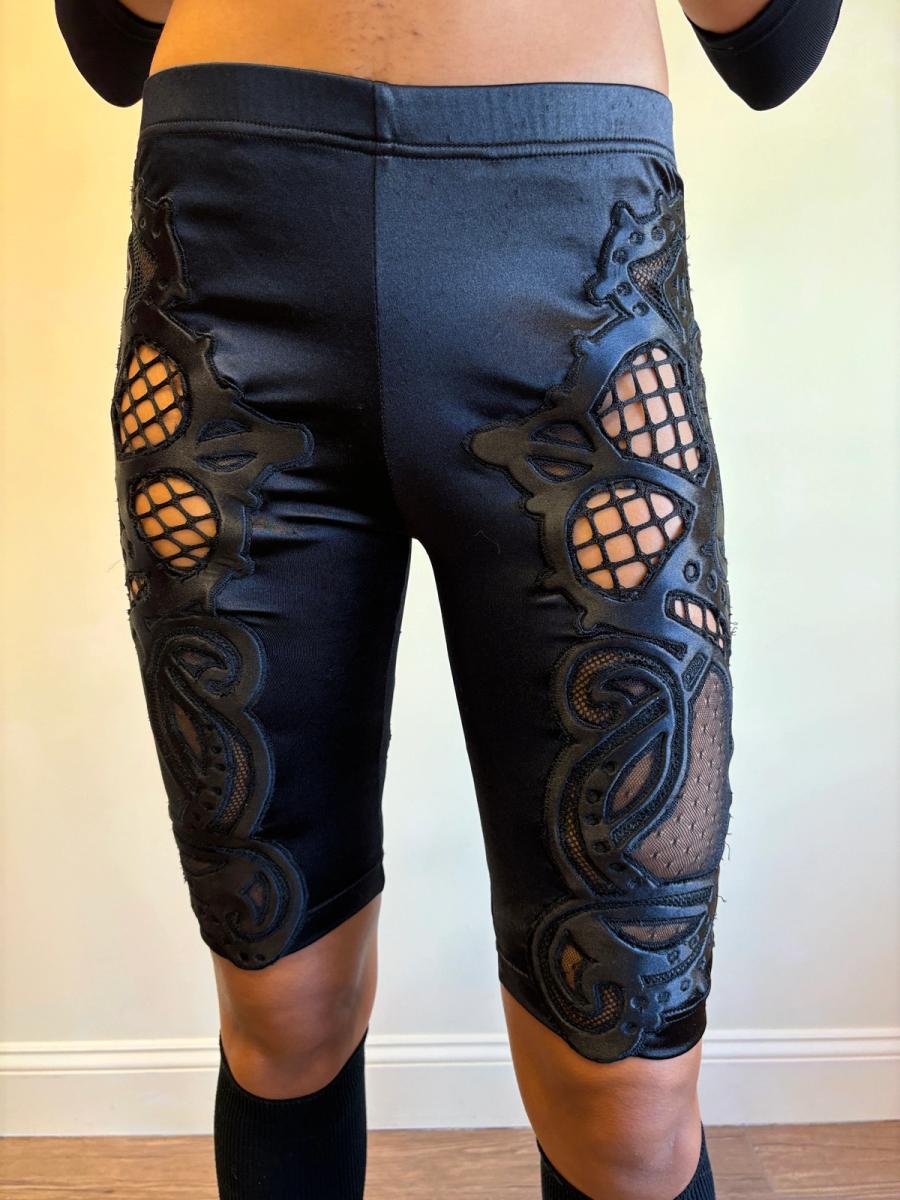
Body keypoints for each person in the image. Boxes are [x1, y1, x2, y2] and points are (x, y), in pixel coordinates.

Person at [54, 3, 843, 1198]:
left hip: (575, 289)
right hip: (227, 272)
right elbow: (109, 41)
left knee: (625, 1082)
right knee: (282, 1006)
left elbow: (775, 46)